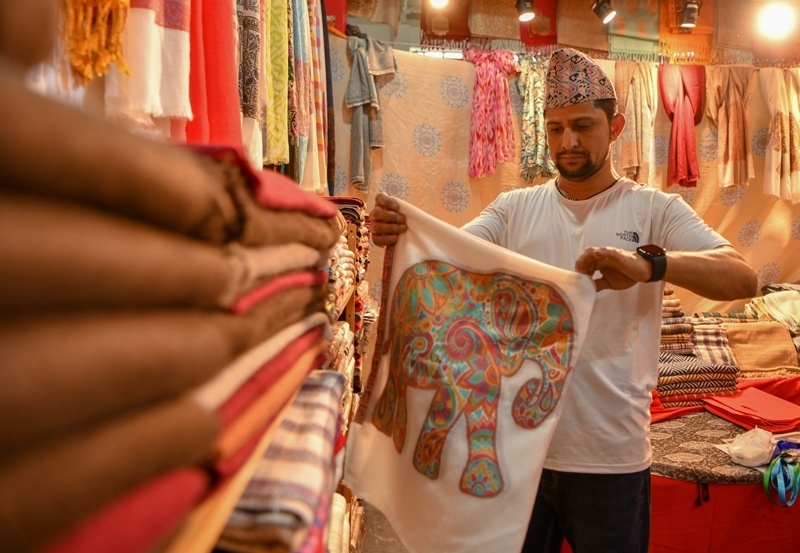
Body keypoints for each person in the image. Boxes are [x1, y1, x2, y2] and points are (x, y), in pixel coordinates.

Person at [369, 47, 757, 553]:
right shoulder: (513, 209)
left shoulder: (653, 209)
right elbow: (446, 256)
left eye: (582, 126)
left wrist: (650, 265)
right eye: (555, 129)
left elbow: (743, 278)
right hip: (519, 453)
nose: (567, 141)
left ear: (615, 128)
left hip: (610, 457)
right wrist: (403, 232)